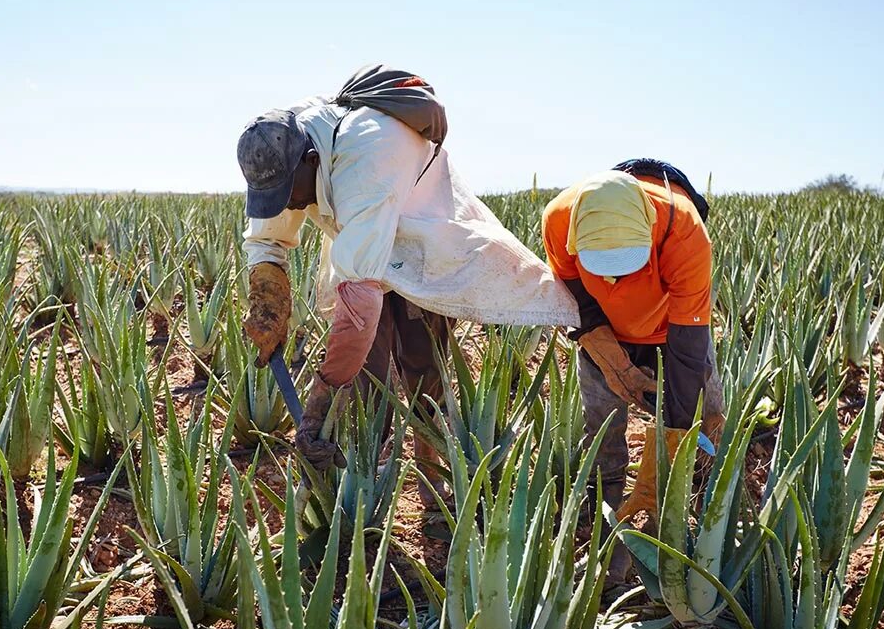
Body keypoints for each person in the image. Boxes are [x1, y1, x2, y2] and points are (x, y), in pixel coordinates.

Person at [236, 79, 578, 527]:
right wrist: (267, 298)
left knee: (422, 374)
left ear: (313, 161)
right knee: (364, 383)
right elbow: (267, 237)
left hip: (424, 249)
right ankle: (354, 501)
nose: (291, 204)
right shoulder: (286, 142)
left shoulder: (367, 158)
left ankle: (434, 492)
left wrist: (320, 395)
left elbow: (358, 305)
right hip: (363, 244)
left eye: (292, 192)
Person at [541, 160, 725, 552]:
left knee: (704, 415)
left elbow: (689, 350)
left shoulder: (685, 232)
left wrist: (670, 444)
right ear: (576, 235)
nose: (614, 281)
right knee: (602, 419)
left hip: (671, 328)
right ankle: (604, 506)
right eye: (604, 268)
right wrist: (613, 361)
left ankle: (700, 497)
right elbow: (580, 304)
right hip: (605, 329)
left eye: (626, 266)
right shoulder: (558, 221)